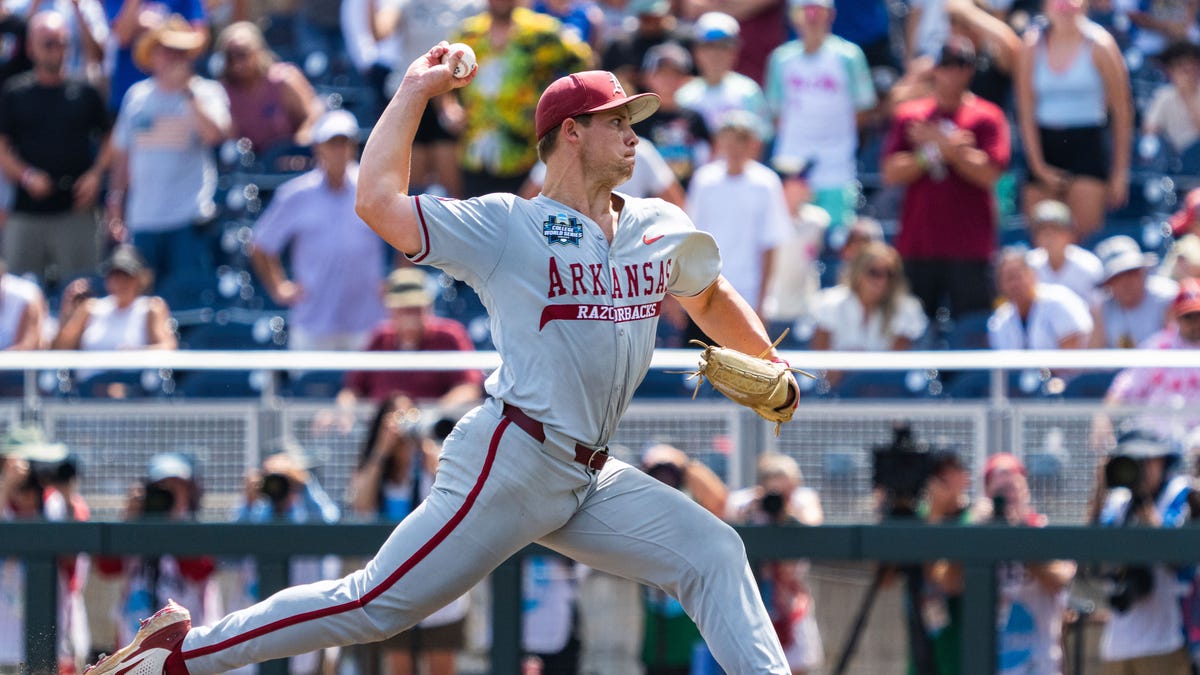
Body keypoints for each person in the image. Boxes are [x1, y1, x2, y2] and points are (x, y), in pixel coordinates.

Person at [86, 45, 797, 675]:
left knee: (714, 552)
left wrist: (768, 359)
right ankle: (179, 655)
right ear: (572, 133)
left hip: (591, 474)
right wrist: (414, 92)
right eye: (617, 120)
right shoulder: (508, 226)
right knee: (372, 604)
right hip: (515, 458)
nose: (633, 134)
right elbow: (377, 201)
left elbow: (708, 295)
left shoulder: (658, 224)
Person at [882, 35, 1009, 322]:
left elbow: (989, 173)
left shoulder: (987, 116)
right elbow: (891, 172)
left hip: (970, 246)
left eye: (961, 65)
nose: (953, 73)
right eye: (947, 65)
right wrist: (935, 152)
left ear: (971, 70)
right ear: (936, 69)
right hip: (919, 244)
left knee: (972, 331)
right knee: (913, 329)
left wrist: (941, 144)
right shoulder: (911, 116)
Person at [106, 16, 230, 307]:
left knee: (189, 306)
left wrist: (187, 94)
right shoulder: (136, 97)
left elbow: (216, 135)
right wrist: (115, 204)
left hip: (187, 219)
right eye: (166, 50)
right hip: (143, 220)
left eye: (179, 51)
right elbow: (123, 157)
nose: (173, 57)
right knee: (143, 306)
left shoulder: (206, 92)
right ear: (154, 54)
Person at [344, 395, 470, 675]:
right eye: (395, 418)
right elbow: (361, 505)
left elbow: (457, 489)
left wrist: (424, 443)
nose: (402, 426)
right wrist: (382, 449)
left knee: (442, 665)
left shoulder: (429, 460)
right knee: (399, 666)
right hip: (391, 588)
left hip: (440, 587)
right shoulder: (375, 470)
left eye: (409, 416)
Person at [250, 109, 388, 354]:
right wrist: (279, 287)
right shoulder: (296, 194)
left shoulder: (373, 189)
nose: (339, 150)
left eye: (344, 143)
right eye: (332, 143)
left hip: (367, 322)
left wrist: (395, 281)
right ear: (318, 148)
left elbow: (405, 237)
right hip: (313, 323)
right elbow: (260, 245)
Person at [0, 10, 109, 289]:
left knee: (83, 294)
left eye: (62, 43)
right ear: (30, 48)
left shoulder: (86, 91)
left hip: (76, 210)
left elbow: (110, 139)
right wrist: (26, 176)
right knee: (19, 295)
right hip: (27, 211)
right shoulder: (15, 92)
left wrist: (96, 175)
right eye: (48, 43)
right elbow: (2, 147)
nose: (56, 50)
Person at [1014, 0, 1132, 239]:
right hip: (1044, 145)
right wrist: (1038, 166)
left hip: (1087, 145)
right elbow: (1025, 110)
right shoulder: (1032, 46)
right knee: (1041, 238)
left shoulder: (1101, 44)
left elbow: (1122, 112)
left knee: (1083, 237)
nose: (1065, 6)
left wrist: (1120, 173)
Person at [449, 0, 593, 197]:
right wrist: (449, 107)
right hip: (475, 151)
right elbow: (444, 75)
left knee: (522, 215)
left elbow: (584, 65)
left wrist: (558, 110)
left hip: (525, 152)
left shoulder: (542, 32)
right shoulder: (468, 33)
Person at [226, 445, 341, 675]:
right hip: (255, 621)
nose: (278, 487)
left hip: (300, 622)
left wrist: (303, 482)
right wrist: (246, 502)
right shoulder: (256, 513)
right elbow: (228, 555)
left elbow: (331, 525)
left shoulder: (307, 514)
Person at [1090, 428, 1193, 674]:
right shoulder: (1118, 501)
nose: (1140, 469)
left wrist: (1150, 521)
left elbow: (1179, 560)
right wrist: (1100, 489)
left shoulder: (1179, 494)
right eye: (1132, 461)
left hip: (1164, 642)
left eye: (1146, 460)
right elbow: (1093, 554)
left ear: (1162, 461)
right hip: (1118, 643)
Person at [766, 0, 877, 227]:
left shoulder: (849, 56)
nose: (811, 17)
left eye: (817, 10)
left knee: (836, 239)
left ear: (830, 14)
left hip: (837, 170)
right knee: (792, 240)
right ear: (793, 16)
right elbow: (776, 114)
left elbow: (864, 109)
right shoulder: (780, 59)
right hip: (792, 170)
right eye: (805, 11)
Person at [973, 453, 1075, 675]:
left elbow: (1061, 579)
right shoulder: (980, 536)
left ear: (1025, 490)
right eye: (1000, 492)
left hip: (1038, 665)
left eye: (1013, 488)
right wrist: (976, 527)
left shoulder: (1041, 531)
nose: (1008, 497)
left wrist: (1019, 539)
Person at [725, 453, 825, 675]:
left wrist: (787, 512)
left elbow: (813, 525)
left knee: (796, 665)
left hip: (791, 600)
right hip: (755, 597)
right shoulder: (749, 502)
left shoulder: (802, 501)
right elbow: (728, 522)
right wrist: (754, 509)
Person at [685, 110, 789, 319]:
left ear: (754, 143)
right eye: (729, 138)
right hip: (706, 291)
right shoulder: (704, 180)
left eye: (741, 139)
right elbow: (690, 238)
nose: (734, 146)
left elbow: (770, 244)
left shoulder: (766, 183)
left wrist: (762, 299)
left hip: (748, 294)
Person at [335, 267, 484, 408]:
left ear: (428, 307)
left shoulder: (449, 335)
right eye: (404, 310)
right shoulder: (380, 337)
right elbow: (352, 390)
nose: (410, 317)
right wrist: (344, 412)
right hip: (383, 424)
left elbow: (469, 388)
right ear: (391, 310)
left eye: (416, 309)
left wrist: (431, 416)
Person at [51, 245, 177, 397]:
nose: (119, 282)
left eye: (126, 275)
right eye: (114, 275)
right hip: (89, 395)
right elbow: (61, 349)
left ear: (139, 279)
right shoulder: (90, 308)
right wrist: (66, 313)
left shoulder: (151, 308)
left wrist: (136, 353)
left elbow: (168, 347)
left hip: (134, 395)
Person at [215, 21, 323, 157]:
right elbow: (228, 137)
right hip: (250, 163)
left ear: (258, 50)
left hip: (290, 160)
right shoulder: (224, 91)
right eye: (230, 56)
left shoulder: (283, 80)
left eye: (242, 54)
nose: (237, 63)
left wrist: (298, 146)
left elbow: (313, 113)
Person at [812, 240, 929, 353]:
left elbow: (896, 361)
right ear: (858, 272)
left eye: (889, 274)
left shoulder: (906, 309)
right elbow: (821, 359)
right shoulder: (829, 304)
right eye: (874, 272)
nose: (882, 281)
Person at [675, 12, 772, 142]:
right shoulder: (684, 95)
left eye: (724, 46)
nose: (716, 54)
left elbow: (762, 136)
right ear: (696, 51)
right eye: (709, 46)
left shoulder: (748, 91)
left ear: (735, 51)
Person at [633, 42, 712, 189]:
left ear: (685, 78)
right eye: (662, 73)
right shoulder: (638, 118)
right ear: (646, 77)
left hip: (689, 193)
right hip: (648, 195)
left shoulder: (695, 118)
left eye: (676, 74)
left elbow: (707, 159)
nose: (668, 79)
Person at [987, 247, 1094, 350]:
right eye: (1009, 278)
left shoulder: (1060, 301)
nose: (1015, 284)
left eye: (1018, 276)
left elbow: (1071, 355)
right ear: (1000, 285)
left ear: (1033, 274)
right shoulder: (999, 321)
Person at [1089, 235, 1178, 349]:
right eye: (1117, 277)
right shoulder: (1101, 307)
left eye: (1132, 273)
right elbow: (1095, 353)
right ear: (1108, 284)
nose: (1126, 282)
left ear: (1143, 271)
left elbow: (1176, 347)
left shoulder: (1168, 297)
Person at [1024, 199, 1103, 306]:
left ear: (1070, 233)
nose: (1050, 236)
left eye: (1056, 229)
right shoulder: (1029, 265)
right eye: (1043, 230)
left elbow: (1097, 309)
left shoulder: (1089, 265)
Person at [1142, 41, 1200, 169]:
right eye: (1181, 66)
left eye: (1191, 65)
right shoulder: (1164, 96)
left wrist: (1188, 97)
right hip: (1176, 159)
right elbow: (1150, 130)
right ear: (1170, 71)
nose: (1187, 72)